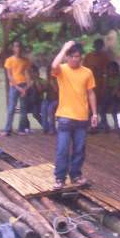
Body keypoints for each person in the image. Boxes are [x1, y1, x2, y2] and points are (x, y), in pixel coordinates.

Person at [51, 41, 99, 189]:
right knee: (62, 149)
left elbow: (91, 93)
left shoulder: (87, 72)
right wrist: (64, 48)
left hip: (82, 117)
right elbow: (53, 66)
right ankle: (60, 178)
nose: (75, 59)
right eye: (72, 57)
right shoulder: (62, 70)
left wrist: (95, 113)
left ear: (81, 57)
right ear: (67, 57)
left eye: (77, 57)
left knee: (79, 149)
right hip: (65, 117)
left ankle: (76, 175)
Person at [2, 41, 31, 136]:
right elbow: (9, 76)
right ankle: (7, 130)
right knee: (11, 108)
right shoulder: (9, 60)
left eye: (19, 46)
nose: (18, 48)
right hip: (14, 86)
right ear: (13, 48)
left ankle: (21, 129)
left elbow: (27, 74)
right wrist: (18, 87)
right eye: (16, 47)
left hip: (23, 85)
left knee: (23, 109)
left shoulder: (26, 61)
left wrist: (26, 87)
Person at [82, 38, 111, 134]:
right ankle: (91, 126)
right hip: (89, 85)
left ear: (101, 47)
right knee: (89, 107)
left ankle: (103, 126)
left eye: (100, 46)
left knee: (100, 107)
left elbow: (108, 71)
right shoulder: (88, 56)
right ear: (94, 46)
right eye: (96, 46)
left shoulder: (105, 57)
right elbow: (83, 69)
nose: (98, 48)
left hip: (100, 84)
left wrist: (100, 72)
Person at [40, 65, 59, 134]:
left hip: (58, 100)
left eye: (51, 71)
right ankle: (45, 128)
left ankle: (52, 129)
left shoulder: (59, 79)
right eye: (49, 71)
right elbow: (42, 91)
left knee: (50, 109)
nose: (50, 73)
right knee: (43, 107)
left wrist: (52, 83)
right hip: (48, 100)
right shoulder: (47, 80)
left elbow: (57, 90)